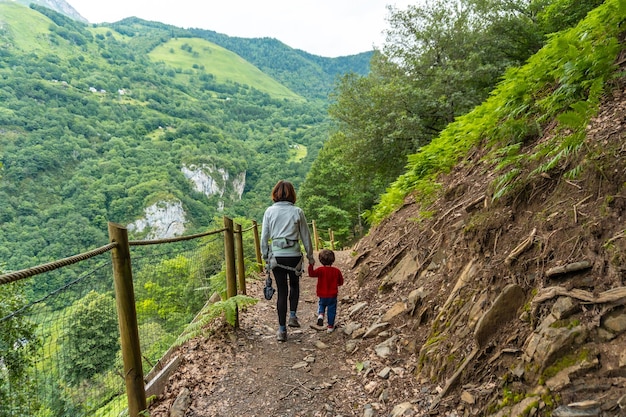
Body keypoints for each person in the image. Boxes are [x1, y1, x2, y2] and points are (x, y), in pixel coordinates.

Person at [261, 180, 315, 342]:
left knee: (282, 291)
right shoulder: (298, 211)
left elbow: (264, 238)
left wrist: (265, 257)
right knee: (294, 284)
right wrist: (311, 257)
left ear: (275, 193)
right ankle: (292, 315)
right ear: (292, 194)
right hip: (294, 256)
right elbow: (306, 237)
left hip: (277, 257)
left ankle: (282, 331)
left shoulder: (269, 212)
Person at [308, 249, 344, 333]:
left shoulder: (320, 270)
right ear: (333, 259)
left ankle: (321, 315)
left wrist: (311, 265)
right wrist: (336, 284)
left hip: (322, 294)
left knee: (321, 305)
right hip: (332, 295)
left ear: (321, 260)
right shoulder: (336, 271)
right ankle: (330, 327)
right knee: (331, 310)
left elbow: (311, 274)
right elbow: (341, 282)